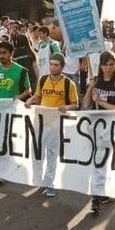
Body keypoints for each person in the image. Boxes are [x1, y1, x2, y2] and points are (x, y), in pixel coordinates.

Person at [24, 53, 79, 196]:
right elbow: (38, 96)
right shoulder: (42, 80)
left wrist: (66, 107)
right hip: (40, 122)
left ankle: (49, 183)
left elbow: (75, 103)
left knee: (52, 154)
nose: (53, 67)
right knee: (37, 152)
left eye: (56, 65)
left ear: (62, 67)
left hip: (56, 125)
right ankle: (38, 179)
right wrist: (30, 101)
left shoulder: (68, 84)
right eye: (51, 64)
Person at [83, 51, 115, 215]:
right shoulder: (96, 82)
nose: (108, 68)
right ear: (100, 65)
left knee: (103, 160)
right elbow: (86, 104)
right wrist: (90, 88)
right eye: (105, 64)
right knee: (98, 160)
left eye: (111, 64)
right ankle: (97, 196)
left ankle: (100, 192)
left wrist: (101, 102)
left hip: (112, 126)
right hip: (95, 126)